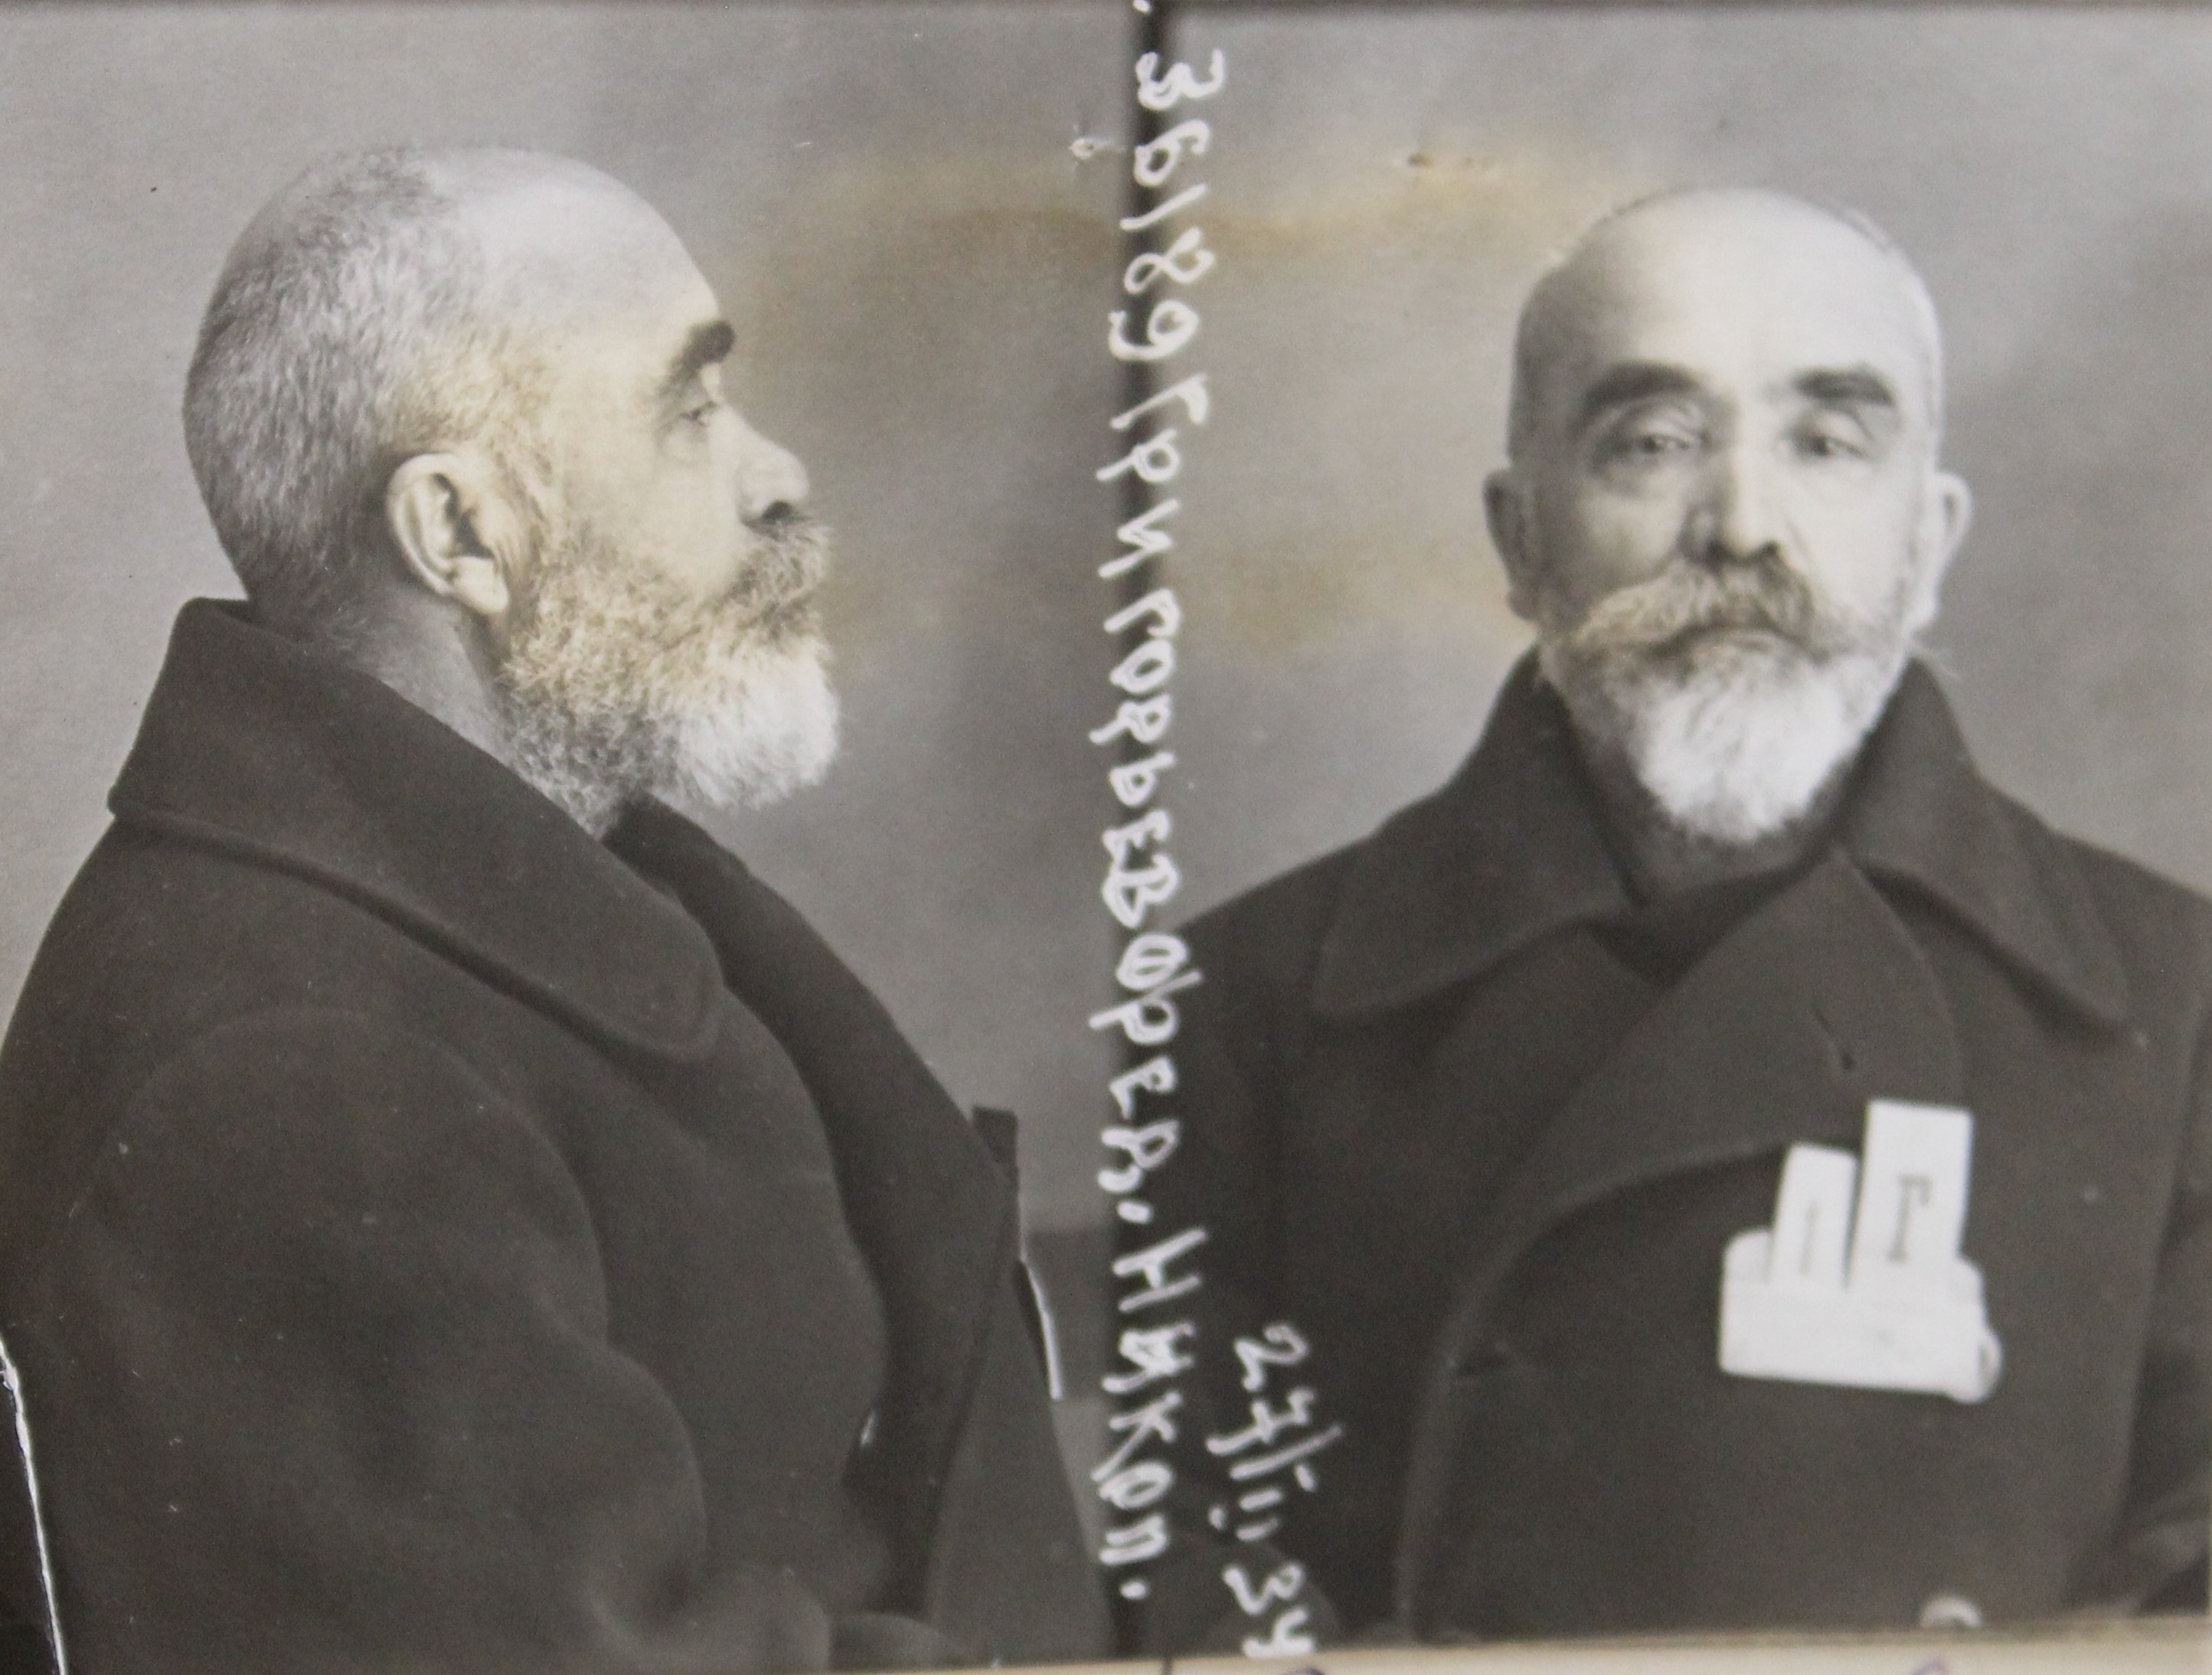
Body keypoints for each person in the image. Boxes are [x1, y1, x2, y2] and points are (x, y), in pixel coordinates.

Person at [0, 146, 1106, 1675]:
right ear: (461, 533)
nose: (777, 473)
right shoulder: (283, 1075)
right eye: (689, 410)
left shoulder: (534, 882)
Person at [1144, 188, 2212, 1641]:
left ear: (1930, 543)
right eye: (1651, 443)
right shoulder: (1240, 1007)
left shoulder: (2179, 1004)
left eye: (1826, 444)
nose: (1741, 529)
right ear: (1520, 539)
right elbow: (1190, 1571)